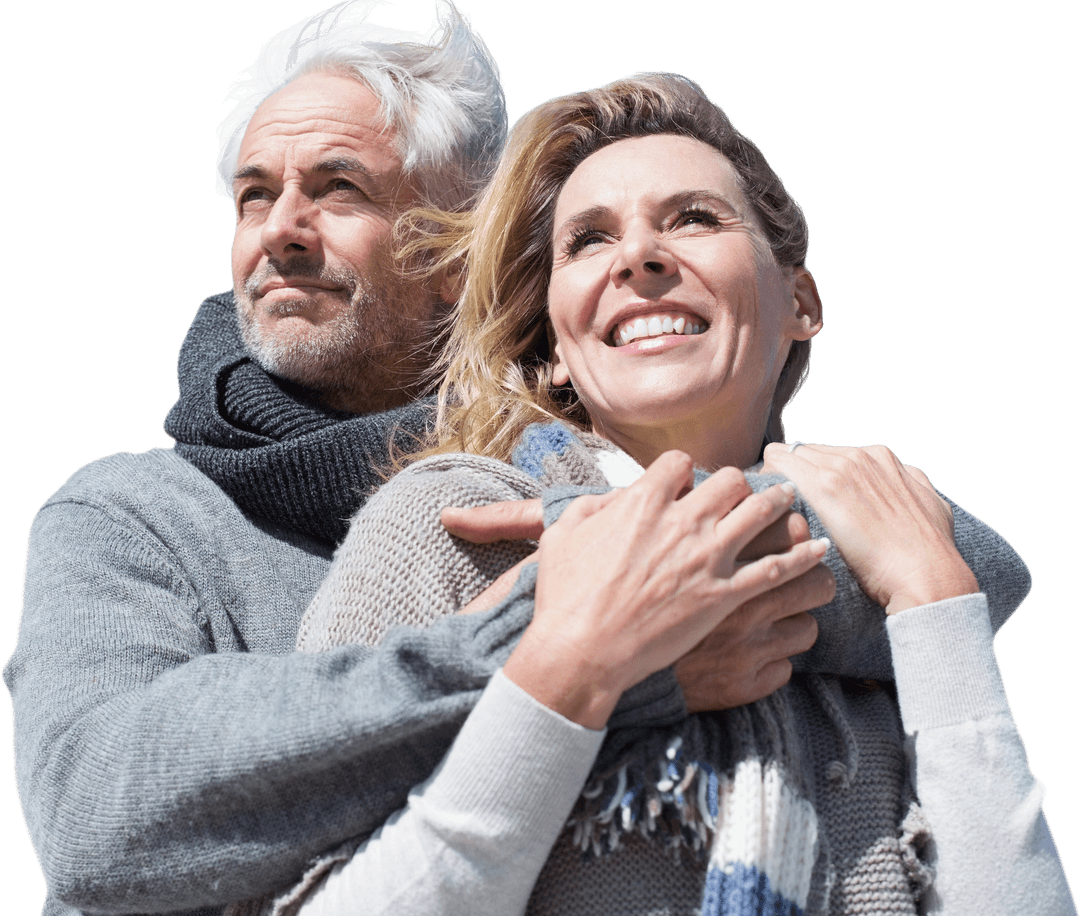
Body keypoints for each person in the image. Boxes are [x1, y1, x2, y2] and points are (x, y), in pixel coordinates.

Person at [3, 6, 836, 915]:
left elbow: (953, 561)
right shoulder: (133, 516)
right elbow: (97, 814)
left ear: (457, 251)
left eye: (339, 188)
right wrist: (592, 653)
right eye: (253, 196)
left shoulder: (569, 478)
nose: (280, 228)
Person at [257, 73, 1076, 915]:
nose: (639, 257)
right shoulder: (446, 528)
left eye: (692, 218)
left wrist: (936, 598)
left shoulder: (886, 561)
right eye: (587, 241)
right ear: (556, 346)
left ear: (801, 301)